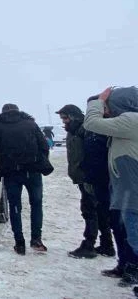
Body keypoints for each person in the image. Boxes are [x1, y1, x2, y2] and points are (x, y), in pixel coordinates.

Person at [83, 87, 138, 294]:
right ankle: (125, 264)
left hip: (132, 191)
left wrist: (98, 100)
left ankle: (133, 268)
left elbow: (92, 123)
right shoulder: (127, 121)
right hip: (123, 188)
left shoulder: (131, 120)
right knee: (124, 231)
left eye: (108, 105)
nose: (106, 109)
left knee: (133, 234)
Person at [0, 103, 51, 255]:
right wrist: (40, 161)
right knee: (36, 204)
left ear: (2, 113)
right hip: (33, 171)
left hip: (11, 173)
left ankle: (19, 243)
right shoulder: (30, 124)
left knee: (15, 206)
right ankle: (36, 239)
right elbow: (44, 146)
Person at [57, 104, 110, 259]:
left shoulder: (85, 130)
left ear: (73, 116)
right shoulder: (73, 130)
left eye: (65, 118)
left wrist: (87, 172)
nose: (64, 121)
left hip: (90, 176)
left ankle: (89, 244)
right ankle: (106, 244)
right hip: (83, 176)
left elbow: (93, 154)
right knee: (97, 209)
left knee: (90, 209)